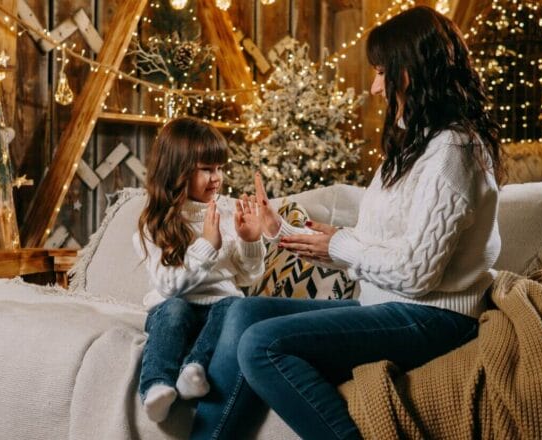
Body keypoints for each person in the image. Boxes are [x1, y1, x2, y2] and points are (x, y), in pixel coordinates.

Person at [189, 6, 502, 439]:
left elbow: (416, 272)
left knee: (262, 345)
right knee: (243, 312)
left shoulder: (453, 151)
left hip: (435, 317)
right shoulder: (413, 147)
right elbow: (373, 245)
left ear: (410, 71)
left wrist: (338, 246)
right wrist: (280, 230)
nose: (375, 87)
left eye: (380, 72)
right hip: (388, 304)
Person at [134, 117, 266, 423]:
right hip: (174, 309)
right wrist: (207, 244)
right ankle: (156, 386)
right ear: (177, 170)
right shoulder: (155, 225)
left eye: (219, 168)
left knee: (236, 304)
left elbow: (248, 277)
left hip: (219, 309)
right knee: (175, 309)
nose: (217, 177)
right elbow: (168, 286)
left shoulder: (227, 210)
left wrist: (249, 241)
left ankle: (193, 369)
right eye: (206, 169)